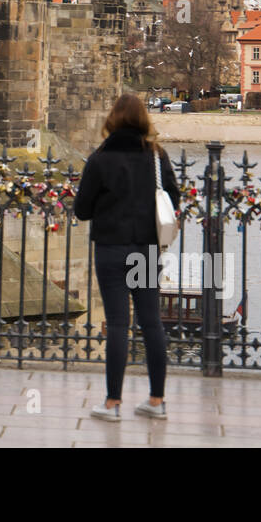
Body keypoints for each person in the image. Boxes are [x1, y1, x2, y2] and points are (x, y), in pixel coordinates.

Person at [73, 93, 178, 421]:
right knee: (151, 322)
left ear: (112, 119)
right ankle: (157, 400)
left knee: (118, 323)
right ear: (144, 119)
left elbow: (82, 209)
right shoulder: (156, 156)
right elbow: (173, 197)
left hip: (111, 248)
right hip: (146, 248)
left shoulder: (100, 158)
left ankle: (112, 403)